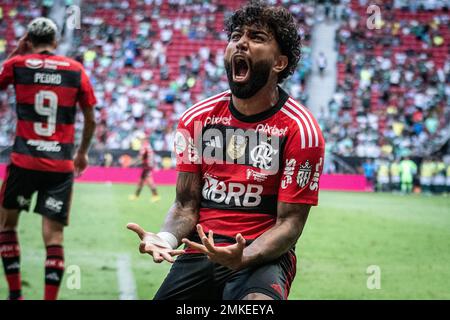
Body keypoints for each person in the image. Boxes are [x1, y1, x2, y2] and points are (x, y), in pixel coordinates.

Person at [127, 1, 325, 300]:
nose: (241, 42)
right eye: (235, 36)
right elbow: (185, 205)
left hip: (262, 254)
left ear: (279, 63)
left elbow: (290, 223)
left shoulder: (300, 129)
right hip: (201, 248)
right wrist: (166, 237)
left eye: (257, 37)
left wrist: (244, 256)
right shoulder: (197, 119)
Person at [0, 18, 96, 300]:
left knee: (6, 226)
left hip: (23, 161)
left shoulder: (17, 65)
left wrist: (16, 54)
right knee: (53, 238)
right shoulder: (76, 70)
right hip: (60, 165)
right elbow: (91, 119)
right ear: (55, 42)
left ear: (28, 40)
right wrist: (82, 152)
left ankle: (15, 294)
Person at [129, 137, 160, 203]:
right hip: (148, 166)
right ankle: (136, 195)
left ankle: (156, 196)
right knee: (141, 181)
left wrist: (133, 162)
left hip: (147, 167)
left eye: (141, 139)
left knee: (149, 181)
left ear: (145, 140)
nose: (140, 141)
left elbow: (141, 157)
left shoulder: (144, 146)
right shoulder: (148, 146)